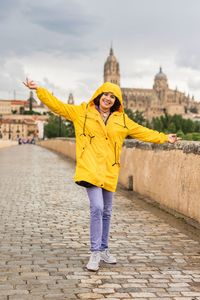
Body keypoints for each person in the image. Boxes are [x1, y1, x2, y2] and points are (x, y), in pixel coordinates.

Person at [23, 79, 180, 271]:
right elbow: (58, 106)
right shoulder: (82, 112)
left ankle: (105, 249)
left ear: (117, 100)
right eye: (106, 94)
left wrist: (165, 137)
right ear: (99, 95)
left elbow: (142, 132)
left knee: (107, 211)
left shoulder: (122, 120)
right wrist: (39, 90)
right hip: (90, 168)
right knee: (97, 207)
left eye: (113, 96)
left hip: (109, 170)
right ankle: (95, 252)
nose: (108, 98)